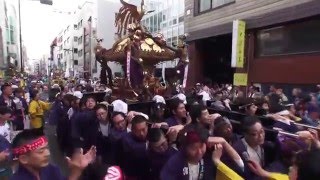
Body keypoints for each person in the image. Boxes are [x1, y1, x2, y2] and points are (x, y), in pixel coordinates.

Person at [10, 129, 96, 180]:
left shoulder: (52, 169)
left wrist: (77, 170)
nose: (47, 153)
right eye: (41, 151)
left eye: (47, 148)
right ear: (24, 159)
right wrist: (75, 173)